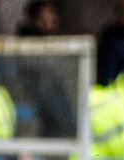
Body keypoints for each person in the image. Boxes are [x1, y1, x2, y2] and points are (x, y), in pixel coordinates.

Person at [13, 0, 77, 139]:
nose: (49, 23)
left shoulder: (56, 45)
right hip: (34, 102)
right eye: (43, 19)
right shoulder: (25, 47)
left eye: (52, 19)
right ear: (32, 20)